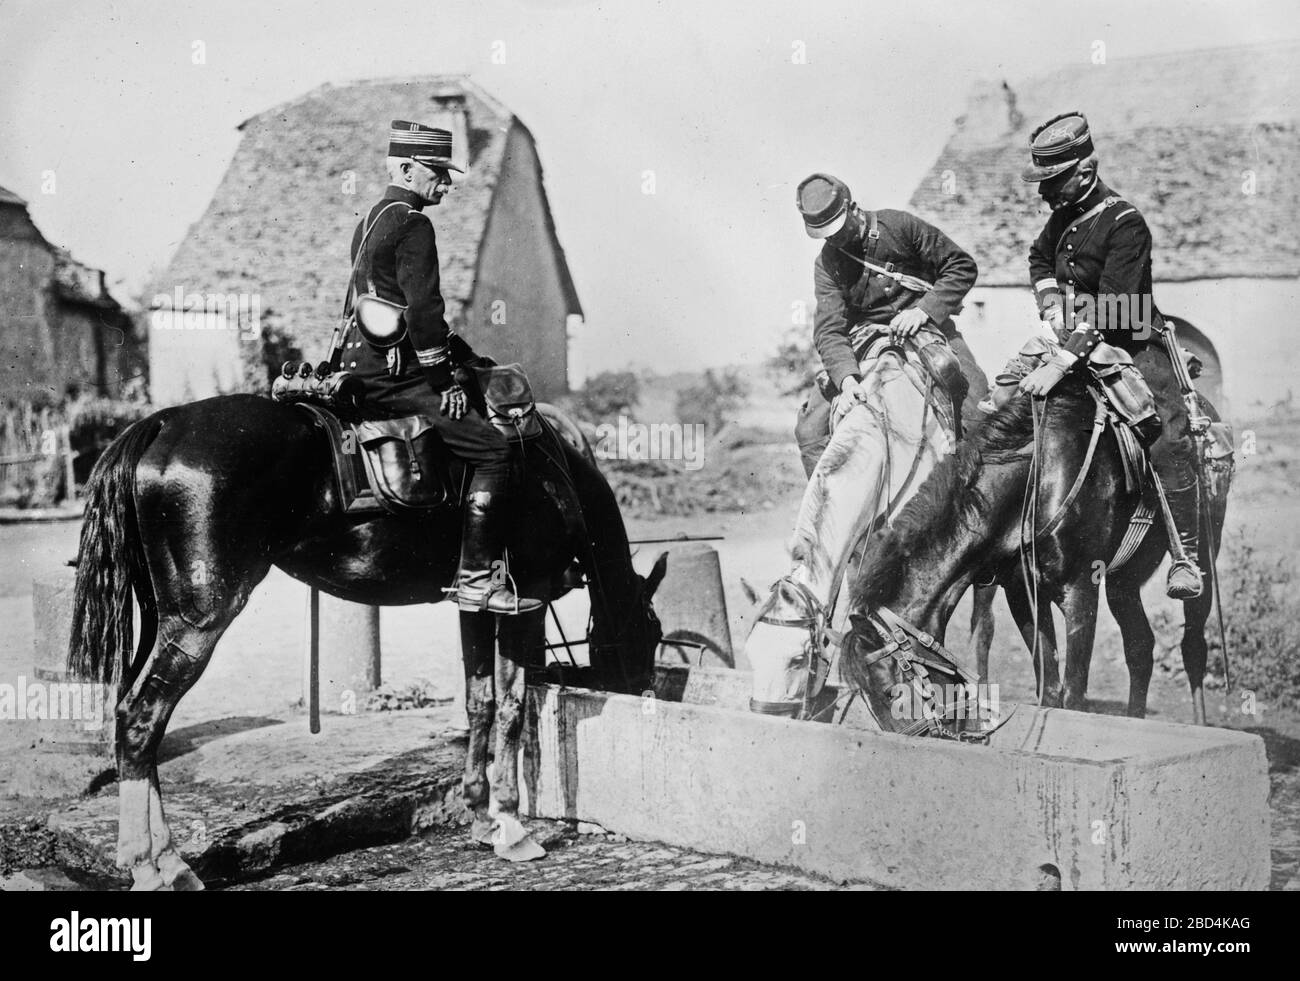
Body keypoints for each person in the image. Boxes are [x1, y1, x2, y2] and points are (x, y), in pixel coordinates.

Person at [340, 119, 541, 614]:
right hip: (398, 377)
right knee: (495, 451)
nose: (447, 185)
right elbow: (424, 311)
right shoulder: (413, 223)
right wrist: (443, 378)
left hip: (357, 364)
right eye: (438, 173)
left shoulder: (369, 220)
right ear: (407, 168)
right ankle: (476, 580)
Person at [1015, 111, 1202, 599]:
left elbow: (1118, 306)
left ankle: (1185, 555)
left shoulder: (1125, 223)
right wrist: (1051, 299)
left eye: (1052, 181)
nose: (1043, 194)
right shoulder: (1061, 219)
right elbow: (1038, 258)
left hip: (1132, 341)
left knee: (1165, 430)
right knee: (1005, 397)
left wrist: (1063, 360)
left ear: (1085, 171)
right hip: (1074, 339)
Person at [794, 173, 989, 477]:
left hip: (929, 328)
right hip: (865, 339)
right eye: (825, 234)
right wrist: (846, 381)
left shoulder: (899, 226)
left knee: (977, 404)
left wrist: (924, 311)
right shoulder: (827, 263)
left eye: (837, 229)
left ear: (852, 209)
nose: (833, 239)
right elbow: (829, 328)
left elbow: (961, 266)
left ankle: (978, 497)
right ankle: (827, 511)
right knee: (810, 428)